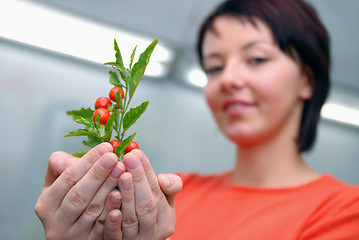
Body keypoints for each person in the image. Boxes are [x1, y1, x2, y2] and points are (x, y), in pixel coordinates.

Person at [35, 0, 359, 239]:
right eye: (214, 67)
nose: (227, 79)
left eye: (256, 59)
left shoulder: (345, 211)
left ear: (308, 81)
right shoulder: (169, 192)